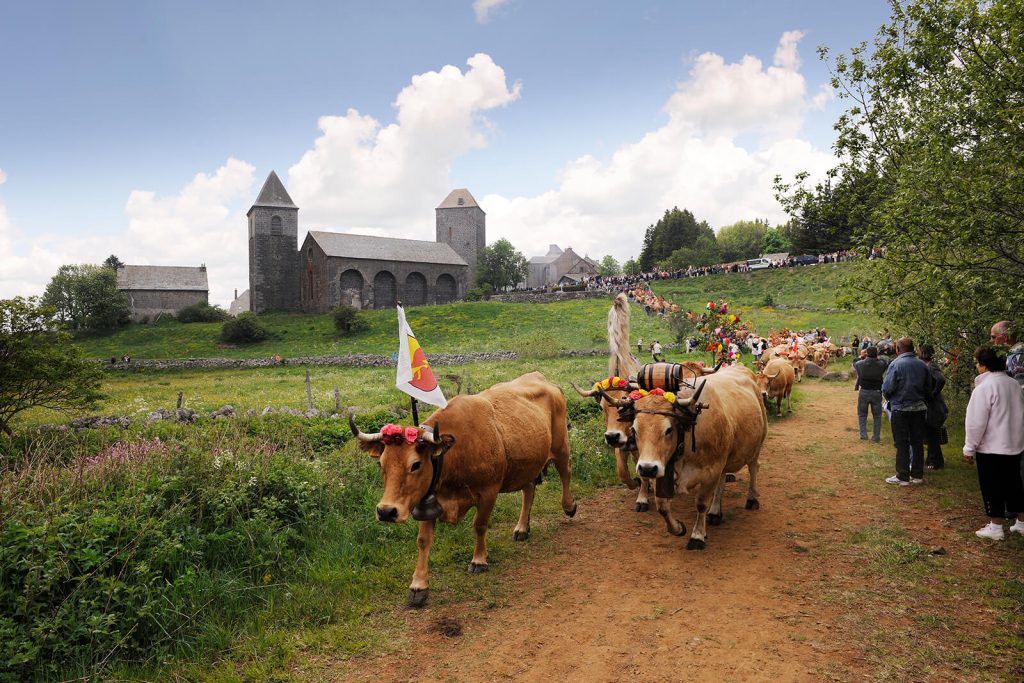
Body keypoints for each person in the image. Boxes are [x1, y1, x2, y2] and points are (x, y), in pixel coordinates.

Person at [963, 345, 1024, 540]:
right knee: (1015, 484)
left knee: (992, 486)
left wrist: (969, 447)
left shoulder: (985, 388)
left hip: (991, 447)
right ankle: (1021, 522)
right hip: (1014, 444)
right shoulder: (1013, 384)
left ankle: (996, 526)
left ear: (983, 365)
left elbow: (975, 422)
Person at [881, 337, 933, 485]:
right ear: (912, 348)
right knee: (917, 442)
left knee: (902, 442)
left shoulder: (896, 364)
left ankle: (902, 476)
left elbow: (887, 388)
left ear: (898, 349)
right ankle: (917, 475)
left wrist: (892, 399)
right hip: (919, 409)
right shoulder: (922, 364)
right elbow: (928, 386)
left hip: (900, 409)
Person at [919, 344, 948, 470]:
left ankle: (936, 461)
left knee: (932, 433)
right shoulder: (928, 366)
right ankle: (931, 459)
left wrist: (933, 394)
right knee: (930, 433)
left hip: (934, 405)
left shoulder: (931, 366)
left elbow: (941, 380)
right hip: (932, 404)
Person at [854, 346, 887, 442]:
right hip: (877, 391)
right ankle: (876, 437)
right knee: (877, 416)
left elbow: (855, 362)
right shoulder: (881, 364)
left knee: (862, 414)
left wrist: (862, 356)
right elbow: (886, 362)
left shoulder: (860, 364)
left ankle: (863, 435)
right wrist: (878, 357)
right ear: (876, 354)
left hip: (864, 391)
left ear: (866, 353)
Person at [991, 321, 1024, 387]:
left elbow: (1019, 386)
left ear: (1005, 337)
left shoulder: (1016, 356)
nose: (991, 341)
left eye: (993, 337)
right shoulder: (1015, 352)